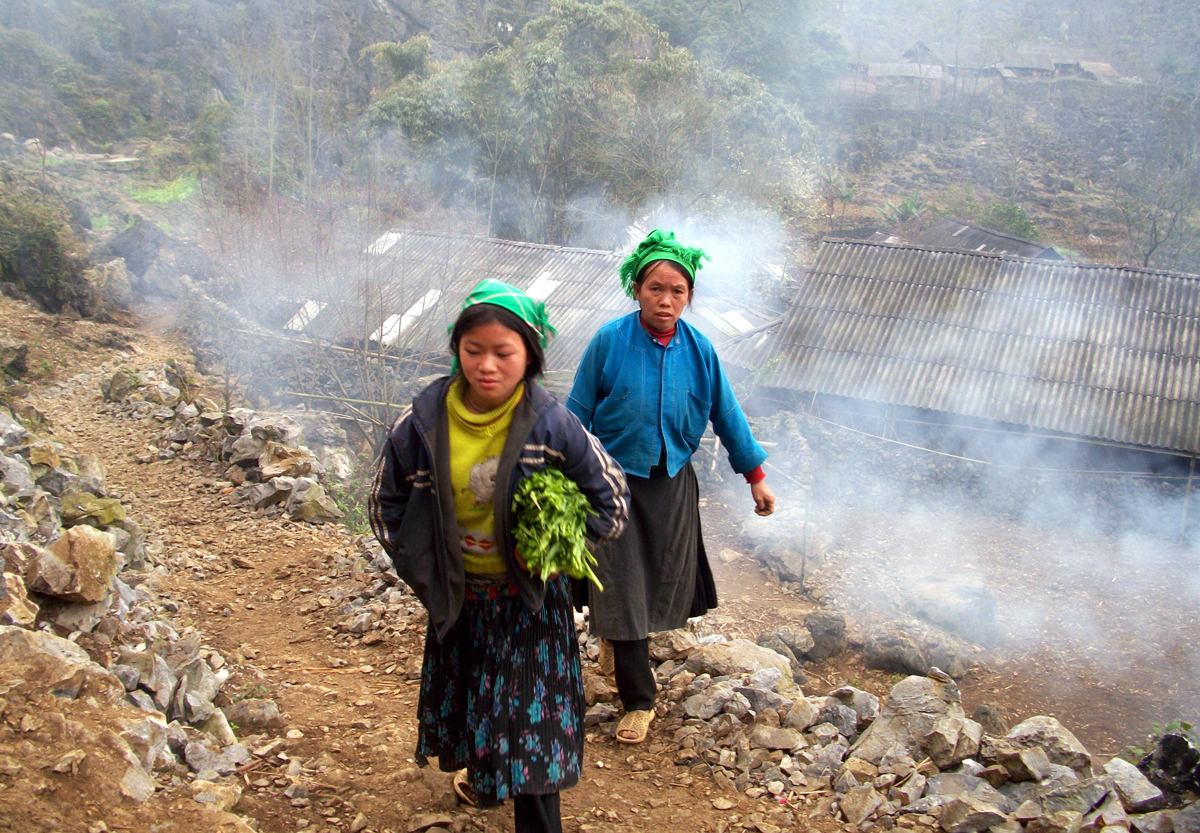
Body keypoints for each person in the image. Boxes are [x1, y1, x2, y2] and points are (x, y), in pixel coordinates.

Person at [369, 278, 629, 833]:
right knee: (481, 719)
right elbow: (385, 502)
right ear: (456, 350)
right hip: (463, 604)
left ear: (529, 357)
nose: (487, 365)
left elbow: (612, 496)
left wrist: (560, 552)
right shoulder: (421, 423)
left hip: (529, 606)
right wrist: (423, 568)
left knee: (533, 738)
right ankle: (484, 780)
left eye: (503, 353)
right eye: (473, 351)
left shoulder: (553, 425)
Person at [566, 229, 775, 745]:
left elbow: (727, 415)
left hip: (673, 480)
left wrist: (756, 477)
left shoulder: (700, 350)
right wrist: (554, 472)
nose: (665, 299)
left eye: (676, 290)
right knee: (622, 581)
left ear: (690, 297)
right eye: (655, 288)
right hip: (611, 484)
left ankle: (618, 633)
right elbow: (574, 414)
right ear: (636, 289)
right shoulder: (609, 342)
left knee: (662, 578)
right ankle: (639, 700)